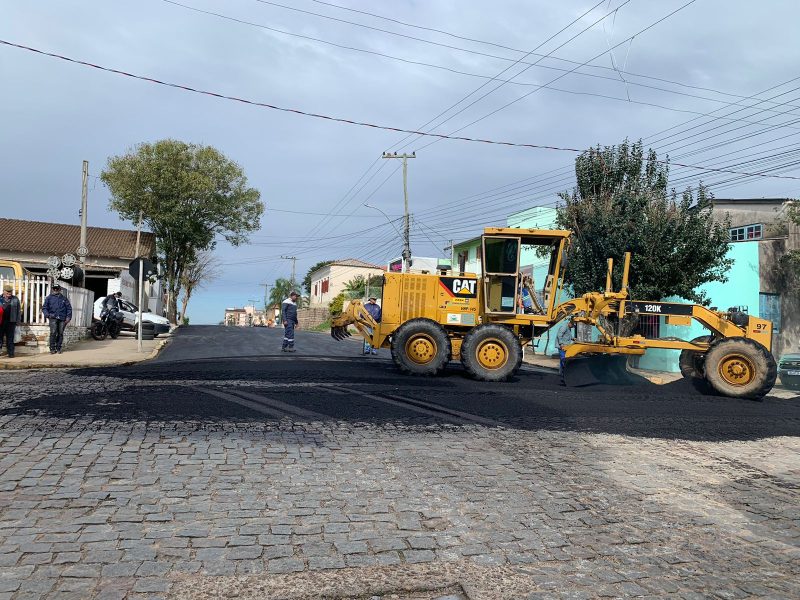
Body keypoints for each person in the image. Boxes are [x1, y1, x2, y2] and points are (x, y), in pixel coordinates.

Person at [42, 284, 72, 354]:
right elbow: (44, 308)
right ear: (52, 289)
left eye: (57, 289)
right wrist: (47, 315)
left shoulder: (64, 298)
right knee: (53, 333)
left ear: (59, 289)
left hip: (62, 318)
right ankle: (52, 348)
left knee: (60, 333)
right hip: (53, 317)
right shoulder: (49, 298)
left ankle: (58, 348)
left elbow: (69, 308)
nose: (55, 290)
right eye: (54, 289)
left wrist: (68, 317)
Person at [0, 284, 22, 358]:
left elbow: (19, 311)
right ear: (4, 291)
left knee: (10, 338)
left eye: (10, 292)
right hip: (1, 322)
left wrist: (18, 322)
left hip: (11, 322)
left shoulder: (15, 299)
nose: (9, 293)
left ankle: (11, 353)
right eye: (7, 292)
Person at [556, 316, 576, 386]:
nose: (573, 327)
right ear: (571, 323)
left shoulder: (568, 328)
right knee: (564, 360)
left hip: (566, 347)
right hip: (562, 347)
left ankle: (563, 375)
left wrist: (573, 338)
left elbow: (567, 336)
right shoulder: (564, 327)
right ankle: (564, 376)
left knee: (563, 361)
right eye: (573, 325)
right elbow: (559, 335)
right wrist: (561, 344)